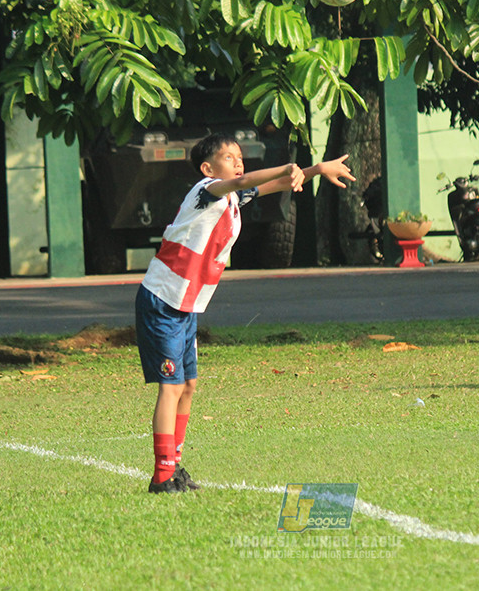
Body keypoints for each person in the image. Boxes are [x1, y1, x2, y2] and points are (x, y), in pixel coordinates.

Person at [137, 133, 355, 493]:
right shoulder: (206, 190)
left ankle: (174, 466)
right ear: (208, 169)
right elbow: (243, 181)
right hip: (163, 300)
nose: (238, 162)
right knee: (171, 386)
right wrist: (288, 165)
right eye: (228, 156)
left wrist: (315, 169)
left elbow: (275, 184)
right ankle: (162, 476)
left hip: (186, 304)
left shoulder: (232, 200)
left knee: (188, 386)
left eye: (240, 156)